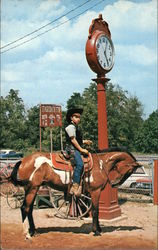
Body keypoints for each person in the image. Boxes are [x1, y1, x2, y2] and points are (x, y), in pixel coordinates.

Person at [65, 107, 92, 196]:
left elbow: (77, 140)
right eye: (76, 117)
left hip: (75, 148)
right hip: (71, 149)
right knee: (80, 164)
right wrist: (81, 149)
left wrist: (84, 141)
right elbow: (73, 140)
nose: (78, 119)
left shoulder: (75, 127)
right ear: (71, 118)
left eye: (79, 117)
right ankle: (75, 186)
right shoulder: (70, 127)